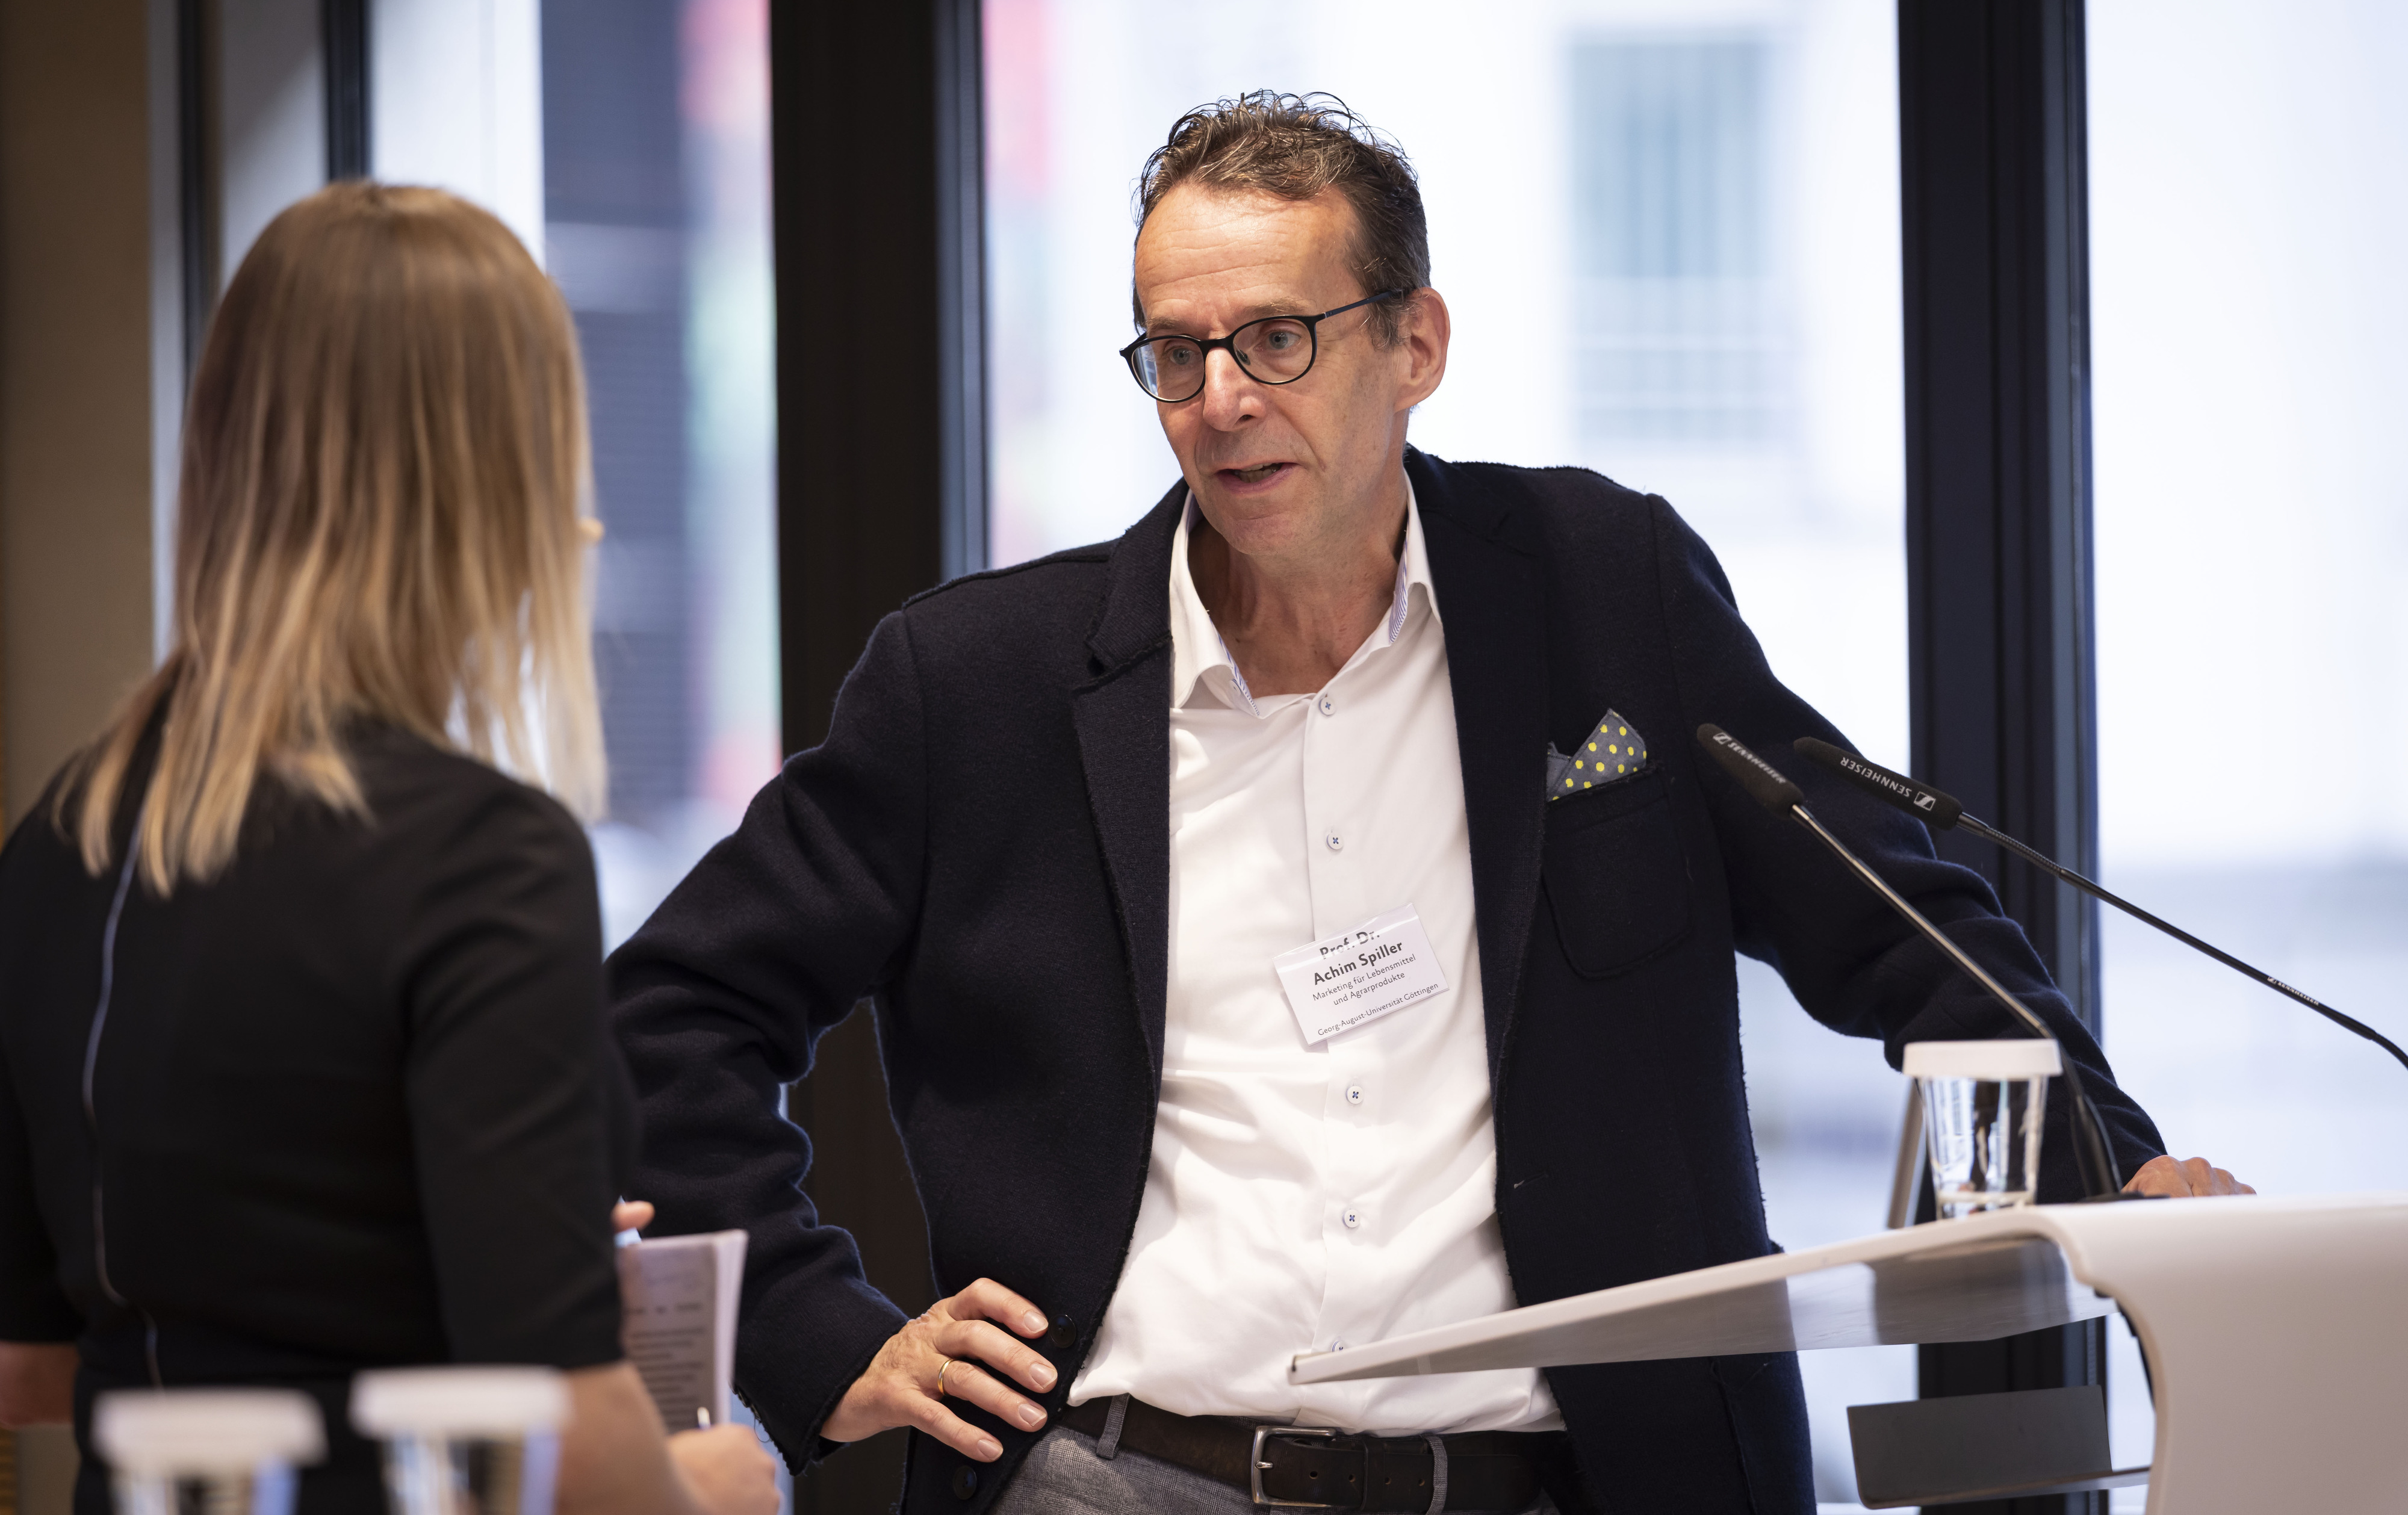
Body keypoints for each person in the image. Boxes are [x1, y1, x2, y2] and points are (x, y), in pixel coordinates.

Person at [609, 94, 2245, 1514]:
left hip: (1576, 1476)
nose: (1221, 397)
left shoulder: (1601, 592)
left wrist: (2112, 1165)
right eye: (1176, 351)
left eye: (1276, 337)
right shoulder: (979, 684)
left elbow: (1889, 914)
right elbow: (661, 1019)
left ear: (1416, 345)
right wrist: (824, 1335)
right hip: (1122, 1474)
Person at [0, 184, 777, 1515]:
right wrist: (709, 1486)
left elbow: (30, 1363)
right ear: (498, 484)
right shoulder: (484, 857)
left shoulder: (66, 830)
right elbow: (571, 1430)